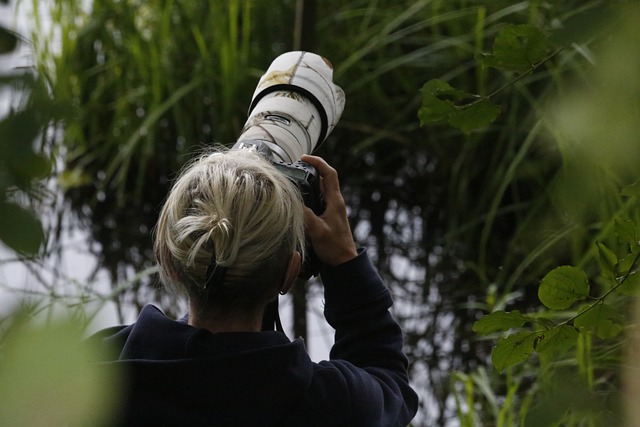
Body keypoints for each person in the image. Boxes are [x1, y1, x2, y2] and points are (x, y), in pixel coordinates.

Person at [90, 148, 419, 426]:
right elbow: (388, 384)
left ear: (167, 261)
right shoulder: (330, 404)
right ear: (290, 273)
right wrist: (345, 261)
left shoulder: (92, 376)